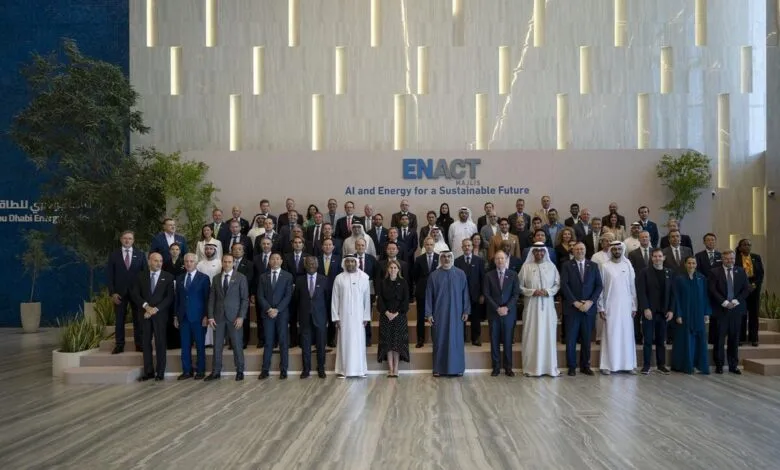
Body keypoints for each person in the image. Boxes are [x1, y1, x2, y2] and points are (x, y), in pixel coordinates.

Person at [204, 254, 249, 381]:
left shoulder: (241, 277)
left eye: (229, 262)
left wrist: (241, 317)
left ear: (233, 263)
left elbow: (244, 299)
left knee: (237, 345)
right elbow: (211, 299)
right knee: (217, 346)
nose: (227, 264)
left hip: (235, 318)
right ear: (222, 262)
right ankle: (216, 371)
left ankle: (240, 371)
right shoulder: (216, 278)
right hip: (218, 317)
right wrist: (210, 316)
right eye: (225, 261)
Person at [560, 242, 603, 376]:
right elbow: (564, 285)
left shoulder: (593, 266)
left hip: (588, 309)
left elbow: (599, 286)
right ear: (573, 251)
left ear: (585, 250)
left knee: (586, 339)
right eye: (577, 249)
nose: (579, 251)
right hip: (572, 308)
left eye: (582, 249)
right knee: (571, 339)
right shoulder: (567, 265)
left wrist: (590, 302)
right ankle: (572, 366)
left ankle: (585, 366)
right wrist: (575, 302)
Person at [518, 243, 561, 377]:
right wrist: (532, 291)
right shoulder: (526, 267)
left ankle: (549, 368)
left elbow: (557, 284)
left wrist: (548, 291)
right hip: (531, 307)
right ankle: (531, 368)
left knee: (548, 336)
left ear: (545, 252)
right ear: (533, 253)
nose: (539, 253)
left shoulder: (552, 267)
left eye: (542, 251)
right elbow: (519, 286)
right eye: (536, 251)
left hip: (548, 308)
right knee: (531, 335)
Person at [131, 252, 175, 381]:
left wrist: (155, 309)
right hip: (144, 314)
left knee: (160, 343)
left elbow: (169, 297)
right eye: (156, 261)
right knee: (146, 343)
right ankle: (148, 372)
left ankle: (160, 372)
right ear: (149, 261)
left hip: (160, 315)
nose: (159, 263)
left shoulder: (168, 277)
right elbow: (135, 294)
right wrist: (146, 307)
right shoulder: (140, 276)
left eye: (160, 261)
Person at [425, 251, 470, 377]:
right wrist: (429, 313)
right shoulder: (433, 275)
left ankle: (457, 368)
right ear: (440, 259)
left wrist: (466, 310)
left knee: (456, 341)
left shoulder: (460, 274)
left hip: (457, 314)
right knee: (440, 340)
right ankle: (438, 369)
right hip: (439, 314)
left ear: (452, 258)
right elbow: (429, 296)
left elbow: (465, 293)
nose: (446, 259)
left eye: (449, 256)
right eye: (444, 257)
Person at [598, 241, 638, 375]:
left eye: (619, 249)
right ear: (611, 250)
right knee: (611, 334)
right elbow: (601, 288)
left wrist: (634, 305)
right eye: (614, 249)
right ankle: (607, 365)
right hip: (610, 306)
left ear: (622, 250)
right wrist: (601, 307)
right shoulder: (605, 266)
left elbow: (632, 287)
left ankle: (629, 365)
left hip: (626, 306)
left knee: (627, 335)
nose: (617, 251)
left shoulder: (628, 265)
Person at [709, 250, 751, 374]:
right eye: (727, 258)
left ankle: (733, 366)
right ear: (722, 259)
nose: (730, 261)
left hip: (736, 310)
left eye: (732, 258)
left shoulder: (741, 271)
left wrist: (736, 301)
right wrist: (724, 302)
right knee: (719, 339)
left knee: (734, 339)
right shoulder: (714, 272)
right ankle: (719, 365)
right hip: (721, 310)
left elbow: (746, 289)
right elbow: (712, 289)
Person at [106, 230, 147, 354]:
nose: (127, 240)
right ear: (121, 240)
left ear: (133, 240)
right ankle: (119, 345)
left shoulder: (140, 254)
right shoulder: (114, 255)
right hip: (119, 293)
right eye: (125, 238)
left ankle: (139, 344)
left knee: (138, 320)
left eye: (130, 238)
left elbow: (145, 274)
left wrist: (143, 293)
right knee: (119, 320)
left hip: (137, 293)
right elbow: (109, 275)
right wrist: (112, 293)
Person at [636, 248, 675, 375]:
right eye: (655, 256)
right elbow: (641, 292)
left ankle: (661, 365)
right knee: (647, 340)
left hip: (663, 312)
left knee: (661, 340)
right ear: (651, 258)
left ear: (664, 258)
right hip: (649, 312)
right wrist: (645, 308)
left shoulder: (669, 272)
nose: (657, 258)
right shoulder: (645, 272)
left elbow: (672, 293)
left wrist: (671, 310)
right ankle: (646, 365)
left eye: (660, 256)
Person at [332, 254, 372, 378]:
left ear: (356, 263)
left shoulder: (364, 277)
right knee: (345, 342)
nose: (350, 264)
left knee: (358, 343)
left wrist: (366, 317)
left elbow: (367, 299)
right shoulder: (339, 278)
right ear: (344, 263)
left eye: (352, 261)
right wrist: (336, 317)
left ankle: (360, 370)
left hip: (359, 317)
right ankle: (344, 371)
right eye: (348, 262)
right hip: (344, 317)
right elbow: (335, 299)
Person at [483, 251, 521, 376]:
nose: (500, 260)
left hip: (509, 314)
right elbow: (487, 294)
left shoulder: (513, 274)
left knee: (508, 341)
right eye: (498, 258)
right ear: (494, 261)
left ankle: (508, 367)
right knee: (494, 341)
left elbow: (516, 294)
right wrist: (497, 308)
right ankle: (496, 367)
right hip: (494, 313)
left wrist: (506, 308)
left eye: (502, 258)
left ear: (506, 260)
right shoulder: (488, 275)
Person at [174, 253, 210, 380]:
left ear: (196, 263)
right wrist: (175, 316)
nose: (188, 263)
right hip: (183, 317)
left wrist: (206, 315)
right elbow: (177, 299)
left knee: (200, 345)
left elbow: (207, 299)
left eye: (191, 261)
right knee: (185, 346)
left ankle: (200, 370)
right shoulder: (179, 278)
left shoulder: (204, 278)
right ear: (184, 263)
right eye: (186, 261)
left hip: (199, 318)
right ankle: (187, 371)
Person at [671, 256, 711, 375]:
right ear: (685, 264)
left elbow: (705, 296)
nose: (691, 265)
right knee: (685, 340)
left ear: (696, 264)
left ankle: (699, 365)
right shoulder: (679, 279)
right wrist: (678, 314)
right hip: (685, 314)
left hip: (698, 313)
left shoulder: (701, 278)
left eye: (693, 263)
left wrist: (706, 313)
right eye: (689, 263)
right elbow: (676, 298)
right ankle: (686, 365)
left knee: (700, 340)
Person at [258, 253, 294, 379]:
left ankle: (283, 369)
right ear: (269, 261)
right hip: (267, 314)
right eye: (272, 259)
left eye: (278, 258)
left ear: (281, 261)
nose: (275, 261)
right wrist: (269, 309)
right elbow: (260, 296)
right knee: (268, 342)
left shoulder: (288, 276)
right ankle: (265, 369)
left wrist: (277, 310)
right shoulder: (263, 277)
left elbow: (288, 296)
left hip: (281, 314)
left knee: (283, 342)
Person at [295, 256, 328, 378]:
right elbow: (296, 300)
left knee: (321, 344)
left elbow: (327, 300)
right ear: (305, 265)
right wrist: (297, 318)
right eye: (308, 263)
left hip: (320, 317)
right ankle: (306, 369)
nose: (311, 266)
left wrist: (328, 318)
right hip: (304, 318)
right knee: (305, 345)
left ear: (317, 265)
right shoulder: (299, 280)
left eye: (313, 263)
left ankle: (321, 368)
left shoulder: (324, 279)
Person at [377, 259, 411, 377]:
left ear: (398, 270)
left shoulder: (403, 282)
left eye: (395, 268)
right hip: (385, 317)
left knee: (397, 344)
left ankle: (396, 368)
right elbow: (380, 300)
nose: (393, 270)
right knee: (388, 344)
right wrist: (387, 313)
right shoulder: (383, 283)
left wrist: (396, 313)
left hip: (399, 316)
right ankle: (390, 369)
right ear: (388, 269)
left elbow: (406, 300)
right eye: (391, 267)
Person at [455, 238, 485, 346]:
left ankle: (475, 339)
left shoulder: (479, 261)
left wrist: (482, 294)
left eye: (469, 245)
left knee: (476, 318)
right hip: (461, 296)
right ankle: (462, 338)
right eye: (465, 246)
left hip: (476, 295)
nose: (467, 247)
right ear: (462, 248)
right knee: (461, 318)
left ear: (472, 247)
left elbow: (483, 278)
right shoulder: (457, 261)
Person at [735, 238, 764, 347]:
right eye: (744, 244)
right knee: (742, 314)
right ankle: (741, 338)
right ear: (740, 247)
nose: (747, 246)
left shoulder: (756, 257)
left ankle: (754, 338)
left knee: (754, 314)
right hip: (741, 289)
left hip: (754, 289)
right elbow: (734, 274)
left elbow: (761, 274)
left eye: (749, 244)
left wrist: (754, 285)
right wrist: (743, 286)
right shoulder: (736, 258)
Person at [412, 237, 439, 347]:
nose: (429, 246)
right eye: (427, 244)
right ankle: (420, 339)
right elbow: (415, 276)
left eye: (431, 244)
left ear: (434, 245)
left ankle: (436, 339)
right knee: (420, 317)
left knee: (436, 316)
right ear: (424, 246)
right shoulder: (419, 259)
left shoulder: (439, 258)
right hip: (422, 292)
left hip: (436, 293)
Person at [317, 238, 341, 348]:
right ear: (322, 247)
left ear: (333, 247)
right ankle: (320, 340)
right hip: (319, 293)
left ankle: (331, 340)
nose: (327, 247)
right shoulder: (317, 259)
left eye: (330, 245)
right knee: (320, 317)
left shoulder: (338, 259)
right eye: (325, 245)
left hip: (333, 292)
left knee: (332, 317)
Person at [231, 244, 254, 350]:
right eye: (235, 249)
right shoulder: (228, 262)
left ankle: (244, 341)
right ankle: (233, 341)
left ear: (243, 252)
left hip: (243, 294)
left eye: (239, 249)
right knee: (232, 317)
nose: (237, 251)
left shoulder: (249, 264)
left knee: (244, 317)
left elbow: (249, 279)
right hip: (230, 296)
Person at [163, 242, 185, 349]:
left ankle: (181, 342)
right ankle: (171, 343)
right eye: (172, 249)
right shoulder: (165, 263)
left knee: (180, 316)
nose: (174, 251)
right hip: (168, 292)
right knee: (169, 317)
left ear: (180, 251)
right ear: (169, 251)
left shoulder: (184, 263)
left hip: (181, 293)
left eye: (177, 249)